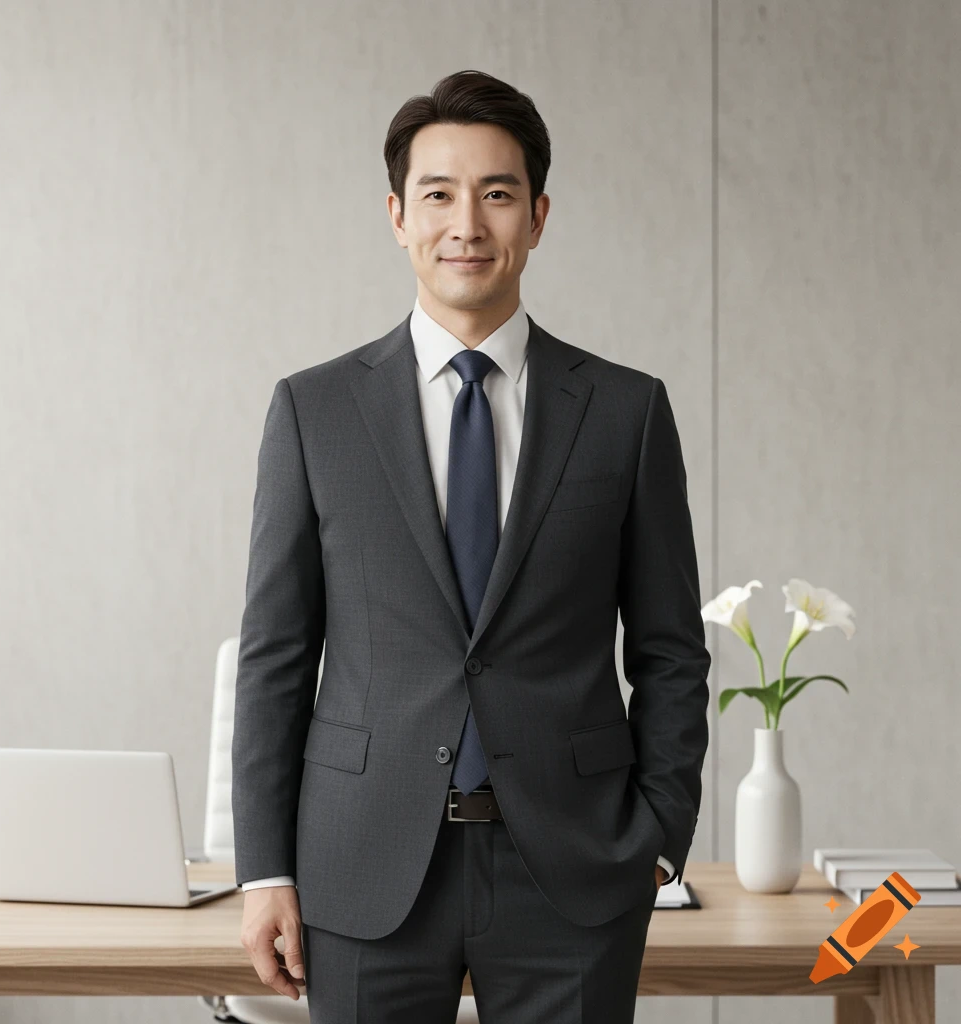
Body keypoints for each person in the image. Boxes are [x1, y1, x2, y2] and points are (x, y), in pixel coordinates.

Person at [231, 68, 710, 1023]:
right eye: (438, 195)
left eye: (496, 194)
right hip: (363, 865)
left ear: (537, 216)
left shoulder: (625, 411)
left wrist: (659, 837)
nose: (468, 224)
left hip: (573, 870)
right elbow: (276, 655)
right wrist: (265, 869)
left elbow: (669, 650)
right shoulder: (314, 410)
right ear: (397, 217)